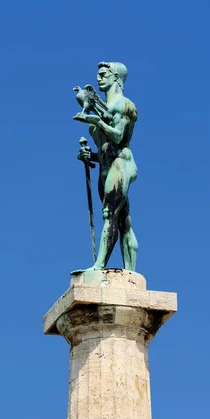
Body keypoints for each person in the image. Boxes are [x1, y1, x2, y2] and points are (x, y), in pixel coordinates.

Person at [73, 62, 139, 272]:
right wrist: (89, 156)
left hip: (121, 163)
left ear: (116, 78)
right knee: (122, 219)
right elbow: (105, 150)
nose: (98, 78)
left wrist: (97, 122)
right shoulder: (101, 108)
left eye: (103, 74)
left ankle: (99, 265)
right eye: (98, 75)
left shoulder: (123, 105)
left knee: (109, 213)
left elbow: (118, 137)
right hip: (107, 166)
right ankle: (130, 272)